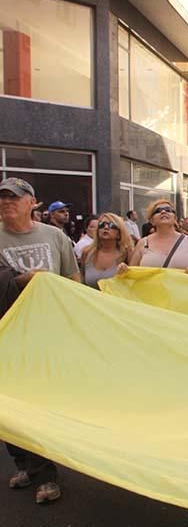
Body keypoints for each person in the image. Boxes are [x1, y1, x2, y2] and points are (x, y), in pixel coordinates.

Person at [0, 177, 79, 505]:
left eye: (14, 198)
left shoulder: (54, 236)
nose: (7, 203)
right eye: (2, 198)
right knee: (8, 401)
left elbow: (73, 278)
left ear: (32, 202)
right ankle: (26, 465)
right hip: (7, 331)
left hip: (47, 333)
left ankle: (45, 473)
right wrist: (22, 279)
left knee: (41, 400)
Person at [121, 200, 188, 277]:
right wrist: (123, 269)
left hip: (184, 297)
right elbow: (130, 272)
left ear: (175, 219)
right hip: (150, 296)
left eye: (168, 210)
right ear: (152, 221)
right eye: (158, 211)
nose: (163, 212)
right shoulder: (143, 243)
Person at [81, 213, 134, 289]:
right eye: (102, 225)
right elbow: (82, 283)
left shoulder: (128, 254)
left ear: (119, 233)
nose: (106, 227)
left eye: (111, 225)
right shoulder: (87, 253)